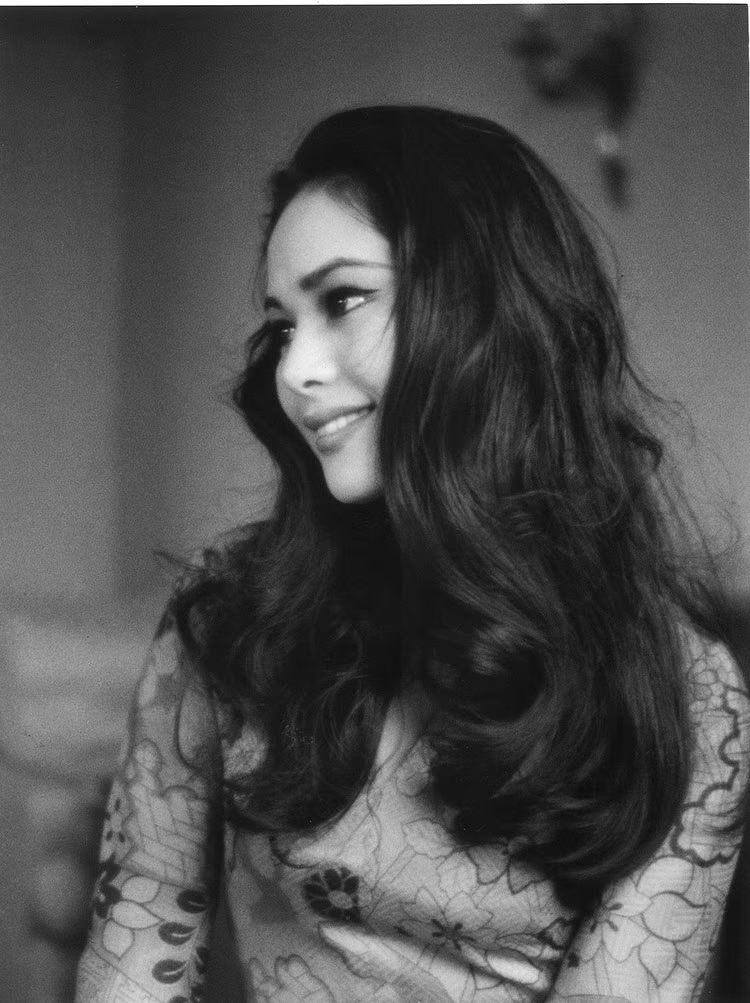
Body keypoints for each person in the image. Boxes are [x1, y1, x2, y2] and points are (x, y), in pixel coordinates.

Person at [75, 105, 750, 1003]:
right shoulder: (233, 614)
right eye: (283, 326)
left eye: (343, 300)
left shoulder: (684, 691)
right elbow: (143, 926)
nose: (295, 371)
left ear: (482, 312)